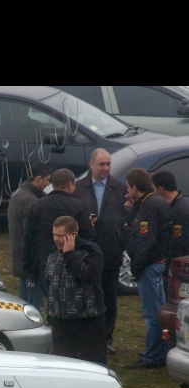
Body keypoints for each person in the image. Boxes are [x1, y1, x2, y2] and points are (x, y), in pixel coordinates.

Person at [75, 149, 131, 355]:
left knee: (109, 296)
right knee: (85, 294)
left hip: (110, 252)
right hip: (86, 252)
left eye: (108, 164)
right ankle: (85, 335)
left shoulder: (119, 188)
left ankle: (106, 337)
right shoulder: (79, 188)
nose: (106, 168)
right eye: (102, 164)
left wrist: (120, 241)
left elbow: (127, 220)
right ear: (91, 165)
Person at [23, 169, 95, 312]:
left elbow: (28, 238)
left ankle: (53, 328)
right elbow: (89, 236)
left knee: (52, 304)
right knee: (71, 305)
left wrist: (29, 268)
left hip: (44, 263)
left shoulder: (37, 206)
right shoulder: (79, 206)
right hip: (72, 262)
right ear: (70, 184)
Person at [125, 169, 172, 370]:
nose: (127, 191)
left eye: (129, 187)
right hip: (157, 263)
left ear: (135, 187)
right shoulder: (154, 202)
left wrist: (135, 266)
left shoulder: (150, 206)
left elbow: (146, 240)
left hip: (150, 266)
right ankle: (162, 351)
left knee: (152, 314)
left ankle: (153, 356)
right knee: (161, 311)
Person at [46, 216, 106, 364]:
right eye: (54, 235)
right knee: (62, 365)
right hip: (61, 322)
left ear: (73, 235)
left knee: (93, 363)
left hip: (87, 320)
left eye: (60, 236)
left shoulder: (90, 251)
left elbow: (86, 275)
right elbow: (51, 285)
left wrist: (69, 255)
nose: (56, 239)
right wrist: (51, 317)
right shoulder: (53, 253)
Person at [8, 162, 52, 304]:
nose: (48, 184)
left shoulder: (17, 194)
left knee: (24, 299)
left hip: (20, 256)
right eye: (47, 180)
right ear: (38, 179)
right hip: (32, 261)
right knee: (34, 303)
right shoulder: (31, 200)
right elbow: (33, 233)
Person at [151, 171, 189, 282]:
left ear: (161, 189)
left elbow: (177, 244)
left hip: (176, 268)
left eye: (154, 189)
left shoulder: (179, 212)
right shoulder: (171, 207)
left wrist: (167, 270)